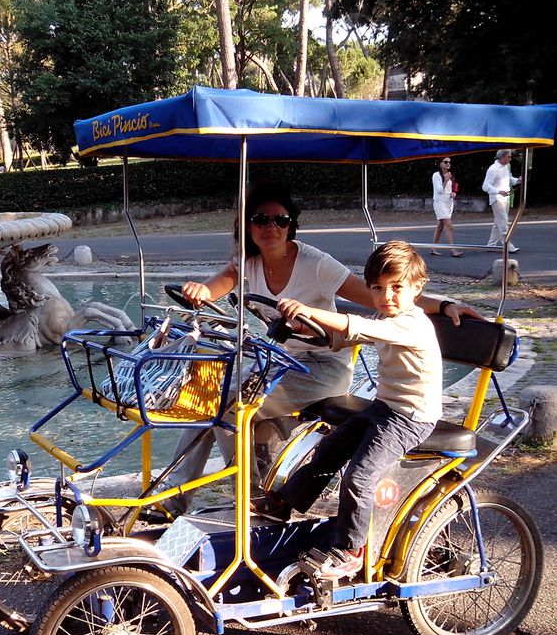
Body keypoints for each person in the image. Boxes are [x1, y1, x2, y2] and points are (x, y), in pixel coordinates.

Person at [162, 181, 477, 515]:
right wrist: (198, 290)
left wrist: (443, 305)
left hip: (321, 367)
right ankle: (172, 501)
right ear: (247, 226)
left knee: (231, 406)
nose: (271, 227)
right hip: (281, 361)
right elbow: (212, 289)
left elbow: (380, 296)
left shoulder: (315, 263)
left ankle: (248, 497)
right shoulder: (247, 263)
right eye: (261, 219)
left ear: (291, 225)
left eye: (280, 220)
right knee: (208, 397)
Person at [253, 241, 441, 579]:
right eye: (378, 288)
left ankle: (351, 549)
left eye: (397, 287)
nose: (387, 297)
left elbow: (357, 326)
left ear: (417, 287)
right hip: (384, 408)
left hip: (411, 418)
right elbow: (346, 337)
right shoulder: (386, 317)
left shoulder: (411, 324)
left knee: (360, 477)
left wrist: (309, 310)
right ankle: (284, 503)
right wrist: (303, 328)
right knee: (328, 449)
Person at [482, 149, 521, 253]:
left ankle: (491, 245)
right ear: (502, 157)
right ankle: (507, 245)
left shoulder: (506, 167)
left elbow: (510, 179)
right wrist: (498, 191)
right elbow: (485, 186)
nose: (510, 158)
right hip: (497, 199)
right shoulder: (493, 169)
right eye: (509, 156)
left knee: (498, 222)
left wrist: (518, 180)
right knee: (503, 221)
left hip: (506, 198)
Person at [430, 157, 461, 257]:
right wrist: (446, 180)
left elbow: (454, 188)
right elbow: (439, 190)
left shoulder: (450, 175)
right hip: (440, 202)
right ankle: (452, 250)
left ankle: (433, 248)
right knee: (449, 226)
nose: (448, 164)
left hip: (448, 203)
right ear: (440, 164)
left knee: (440, 226)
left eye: (449, 162)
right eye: (445, 162)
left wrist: (453, 193)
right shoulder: (436, 175)